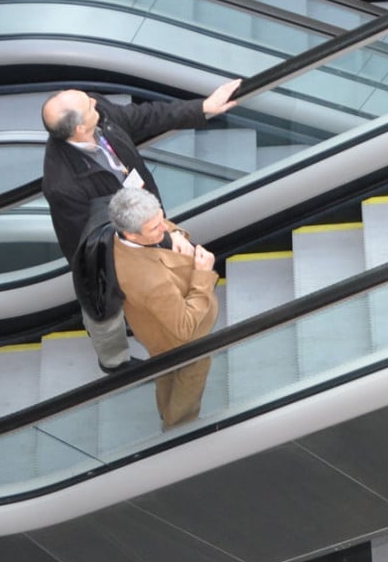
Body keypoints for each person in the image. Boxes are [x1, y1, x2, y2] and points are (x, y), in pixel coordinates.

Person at [40, 81, 241, 370]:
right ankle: (114, 363)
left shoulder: (99, 114)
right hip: (107, 249)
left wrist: (202, 107)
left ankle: (171, 310)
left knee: (170, 270)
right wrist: (147, 250)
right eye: (89, 105)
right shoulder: (63, 185)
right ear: (80, 128)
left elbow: (145, 117)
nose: (96, 102)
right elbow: (83, 243)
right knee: (104, 310)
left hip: (139, 222)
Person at [108, 187, 221, 429]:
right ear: (132, 235)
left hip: (156, 333)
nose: (164, 229)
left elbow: (163, 226)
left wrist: (176, 233)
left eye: (161, 218)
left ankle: (166, 411)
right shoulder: (150, 281)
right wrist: (203, 274)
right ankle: (178, 428)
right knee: (189, 381)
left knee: (166, 374)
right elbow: (185, 328)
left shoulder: (121, 236)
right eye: (155, 228)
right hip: (181, 342)